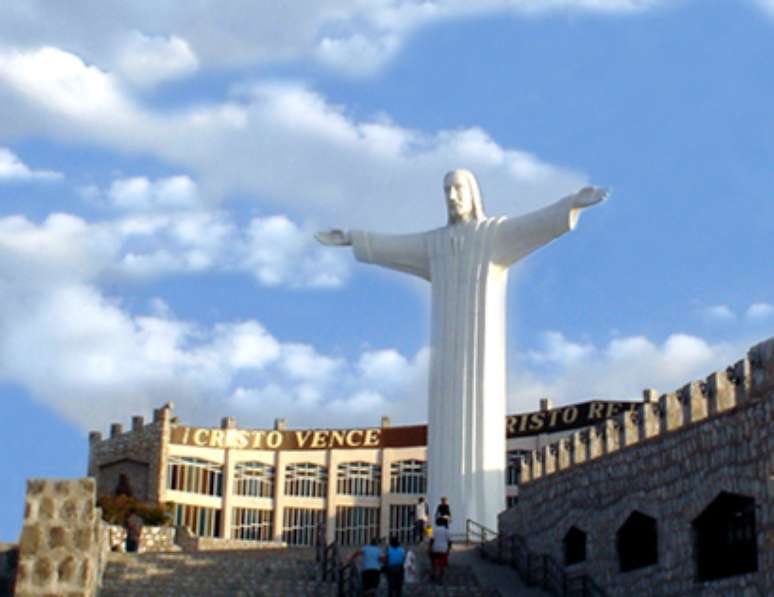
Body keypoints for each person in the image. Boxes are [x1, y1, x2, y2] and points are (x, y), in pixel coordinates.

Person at [316, 171, 608, 533]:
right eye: (446, 190)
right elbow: (392, 245)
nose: (452, 196)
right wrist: (353, 239)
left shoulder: (493, 235)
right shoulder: (434, 244)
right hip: (445, 372)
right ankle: (448, 532)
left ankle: (480, 529)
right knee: (445, 442)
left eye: (458, 189)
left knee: (479, 441)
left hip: (482, 360)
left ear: (472, 194)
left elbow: (536, 224)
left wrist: (571, 204)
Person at [429, 516, 452, 584]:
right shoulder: (447, 530)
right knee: (441, 565)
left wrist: (429, 548)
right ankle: (440, 579)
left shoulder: (435, 530)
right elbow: (449, 541)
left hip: (435, 548)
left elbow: (432, 539)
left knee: (433, 563)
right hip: (443, 549)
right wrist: (448, 550)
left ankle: (433, 574)